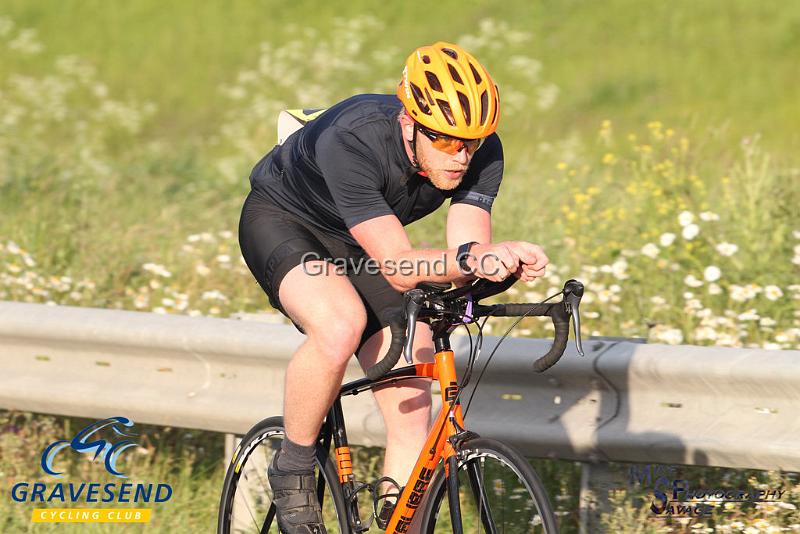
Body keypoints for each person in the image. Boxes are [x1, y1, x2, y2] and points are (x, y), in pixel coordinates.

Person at [238, 41, 549, 533]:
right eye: (446, 142)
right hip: (286, 221)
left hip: (366, 241)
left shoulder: (481, 150)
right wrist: (471, 258)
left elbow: (466, 253)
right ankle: (293, 467)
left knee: (412, 397)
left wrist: (496, 267)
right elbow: (402, 268)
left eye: (472, 142)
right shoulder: (354, 138)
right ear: (409, 123)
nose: (462, 156)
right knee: (340, 325)